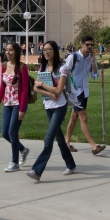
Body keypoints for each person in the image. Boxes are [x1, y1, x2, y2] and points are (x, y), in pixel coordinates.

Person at [26, 41, 77, 181]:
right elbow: (35, 88)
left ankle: (37, 170)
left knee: (48, 139)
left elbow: (59, 90)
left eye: (49, 49)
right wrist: (48, 94)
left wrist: (42, 84)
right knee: (59, 139)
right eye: (44, 50)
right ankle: (71, 164)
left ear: (55, 51)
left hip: (60, 107)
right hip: (48, 106)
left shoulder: (62, 68)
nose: (46, 52)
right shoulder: (42, 67)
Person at [64, 36, 107, 155]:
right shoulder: (73, 57)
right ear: (81, 44)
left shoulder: (91, 58)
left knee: (74, 117)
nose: (89, 47)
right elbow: (64, 72)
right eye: (87, 44)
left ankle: (66, 142)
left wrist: (93, 62)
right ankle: (94, 146)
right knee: (83, 117)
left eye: (91, 45)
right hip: (74, 92)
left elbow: (95, 76)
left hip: (84, 92)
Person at [0, 43, 31, 173]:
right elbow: (2, 86)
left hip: (18, 104)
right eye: (7, 50)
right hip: (7, 104)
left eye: (11, 50)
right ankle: (23, 150)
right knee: (5, 133)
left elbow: (25, 90)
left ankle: (14, 162)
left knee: (12, 132)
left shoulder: (22, 67)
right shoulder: (4, 66)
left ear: (16, 52)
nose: (8, 52)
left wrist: (22, 109)